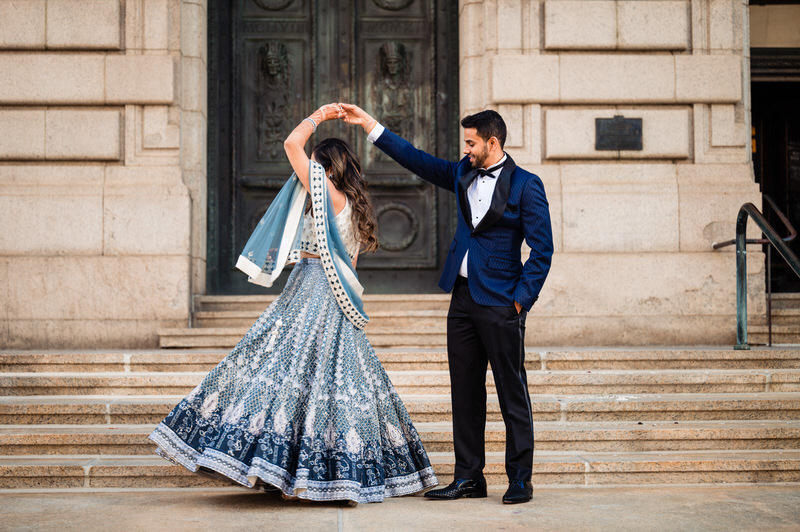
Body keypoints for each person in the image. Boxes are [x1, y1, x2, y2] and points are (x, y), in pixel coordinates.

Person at [149, 103, 438, 504]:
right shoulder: (353, 205)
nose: (303, 174)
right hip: (338, 293)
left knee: (278, 367)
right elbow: (350, 266)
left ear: (325, 167)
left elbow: (290, 143)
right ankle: (317, 474)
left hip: (312, 289)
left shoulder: (321, 185)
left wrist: (319, 115)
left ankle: (284, 472)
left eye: (313, 164)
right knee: (330, 381)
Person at [340, 103, 553, 504]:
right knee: (465, 392)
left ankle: (520, 477)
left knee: (512, 392)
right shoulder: (462, 172)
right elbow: (417, 161)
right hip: (463, 300)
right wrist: (370, 126)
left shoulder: (527, 185)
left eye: (472, 143)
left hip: (502, 304)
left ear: (493, 142)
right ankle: (469, 476)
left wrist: (520, 302)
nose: (466, 149)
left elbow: (542, 250)